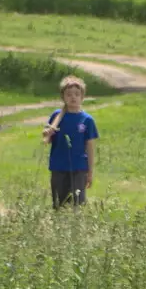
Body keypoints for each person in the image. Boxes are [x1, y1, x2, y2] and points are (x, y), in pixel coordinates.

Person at [42, 75, 98, 208]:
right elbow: (47, 138)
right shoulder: (57, 116)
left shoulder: (87, 120)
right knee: (58, 203)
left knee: (77, 204)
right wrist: (46, 134)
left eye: (77, 94)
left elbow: (90, 147)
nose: (73, 97)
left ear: (82, 97)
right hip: (58, 166)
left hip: (79, 168)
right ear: (63, 97)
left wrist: (90, 172)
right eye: (69, 94)